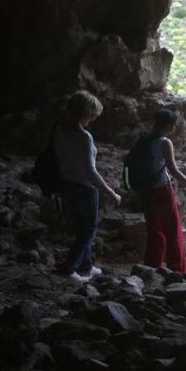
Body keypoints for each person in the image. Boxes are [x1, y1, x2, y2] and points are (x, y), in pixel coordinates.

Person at [53, 90, 120, 282]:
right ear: (85, 113)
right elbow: (90, 171)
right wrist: (110, 192)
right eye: (91, 116)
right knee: (89, 229)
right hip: (84, 187)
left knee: (82, 226)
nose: (92, 120)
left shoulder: (59, 128)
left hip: (67, 183)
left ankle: (87, 265)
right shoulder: (84, 137)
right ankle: (70, 268)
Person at [136, 108, 186, 274]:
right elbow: (174, 171)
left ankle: (151, 265)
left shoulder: (144, 139)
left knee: (154, 228)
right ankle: (176, 269)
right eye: (174, 125)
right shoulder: (164, 142)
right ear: (170, 126)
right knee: (172, 229)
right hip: (161, 189)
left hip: (146, 189)